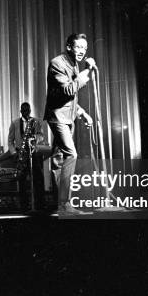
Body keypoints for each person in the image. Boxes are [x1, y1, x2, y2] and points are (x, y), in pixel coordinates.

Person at [44, 33, 96, 215]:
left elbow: (71, 99)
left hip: (68, 117)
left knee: (59, 161)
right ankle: (65, 204)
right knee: (71, 154)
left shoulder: (73, 64)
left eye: (85, 48)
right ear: (69, 47)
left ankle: (60, 205)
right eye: (78, 47)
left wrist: (83, 114)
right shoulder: (57, 63)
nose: (82, 51)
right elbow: (68, 90)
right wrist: (87, 71)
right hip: (58, 117)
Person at [8, 102, 46, 211]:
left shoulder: (36, 121)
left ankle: (40, 204)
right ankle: (24, 205)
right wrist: (13, 153)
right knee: (22, 181)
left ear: (30, 111)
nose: (26, 112)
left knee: (38, 179)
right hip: (21, 154)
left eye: (27, 110)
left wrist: (35, 138)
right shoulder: (15, 123)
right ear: (20, 111)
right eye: (23, 110)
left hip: (33, 153)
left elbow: (41, 135)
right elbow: (10, 140)